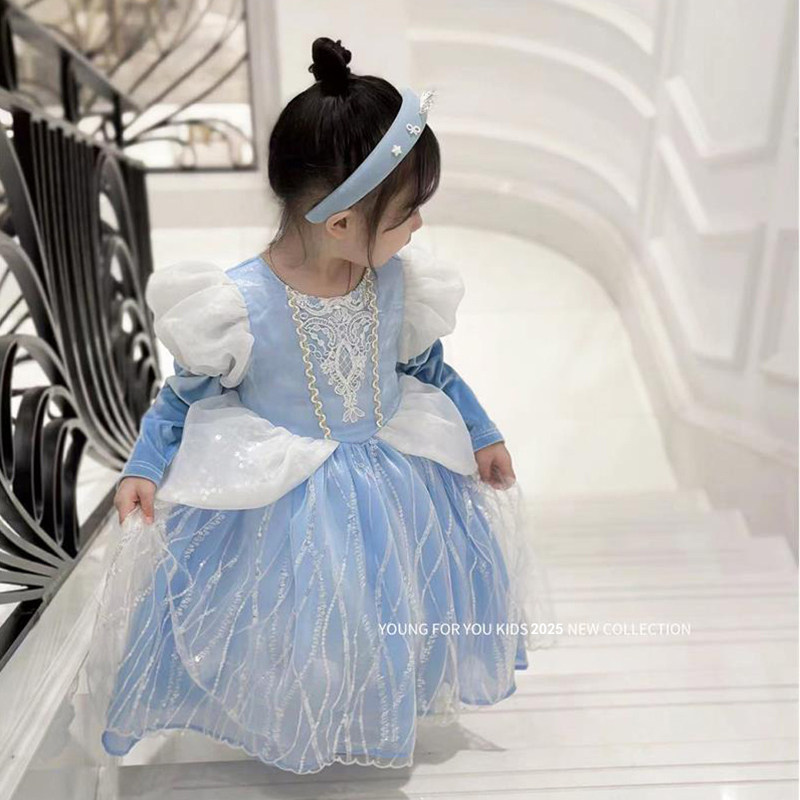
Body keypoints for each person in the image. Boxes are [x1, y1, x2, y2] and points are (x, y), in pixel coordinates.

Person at [83, 36, 556, 775]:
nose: (418, 229)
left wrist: (480, 430)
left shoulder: (395, 283)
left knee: (385, 606)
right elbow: (184, 397)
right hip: (285, 499)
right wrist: (145, 465)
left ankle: (370, 713)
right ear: (340, 224)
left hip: (395, 484)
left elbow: (426, 368)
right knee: (300, 619)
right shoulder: (238, 304)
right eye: (405, 214)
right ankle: (296, 719)